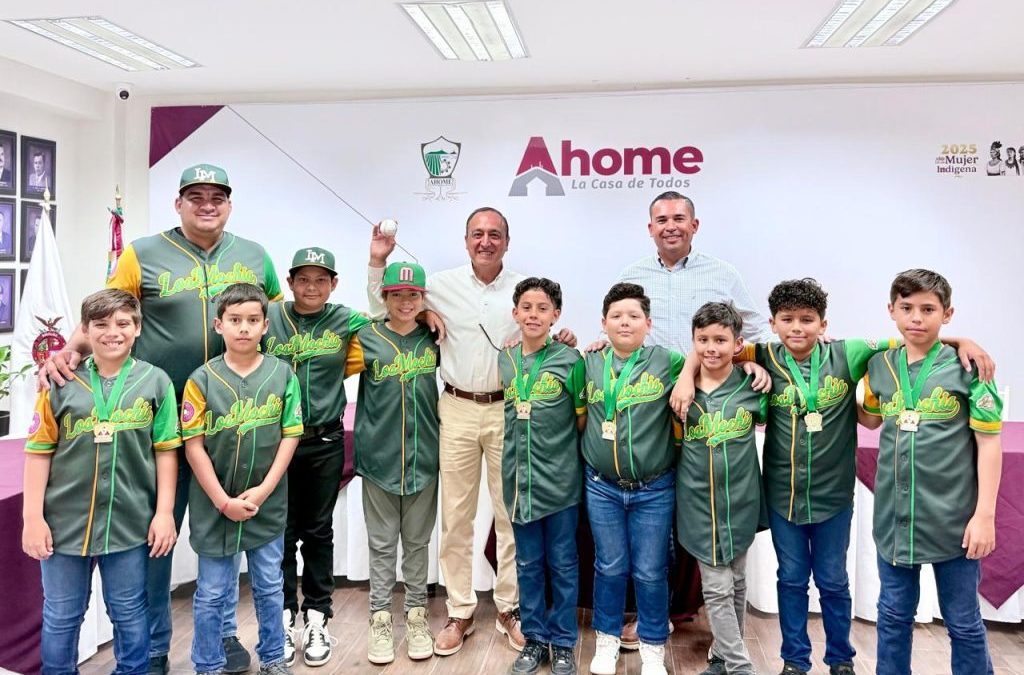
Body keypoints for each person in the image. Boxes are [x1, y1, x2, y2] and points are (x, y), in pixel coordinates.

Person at [40, 163, 283, 675]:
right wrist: (69, 350)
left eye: (217, 196)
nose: (207, 204)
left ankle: (223, 635)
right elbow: (108, 314)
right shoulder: (143, 253)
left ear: (229, 204)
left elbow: (278, 322)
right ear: (178, 203)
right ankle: (153, 648)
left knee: (223, 536)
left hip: (229, 425)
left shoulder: (255, 256)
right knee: (156, 537)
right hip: (155, 423)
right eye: (196, 196)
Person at [367, 207, 575, 655]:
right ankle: (459, 610)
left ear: (507, 241)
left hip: (509, 410)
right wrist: (384, 268)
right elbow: (386, 307)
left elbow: (540, 329)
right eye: (477, 234)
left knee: (509, 514)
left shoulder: (523, 289)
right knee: (456, 516)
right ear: (466, 241)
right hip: (456, 407)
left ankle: (508, 608)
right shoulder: (441, 285)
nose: (486, 241)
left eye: (494, 234)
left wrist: (564, 337)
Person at [613, 191, 771, 647]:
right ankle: (655, 613)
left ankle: (704, 612)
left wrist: (751, 362)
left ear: (694, 225)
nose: (671, 226)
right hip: (650, 412)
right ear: (650, 228)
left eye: (679, 218)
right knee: (658, 516)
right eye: (661, 219)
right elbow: (623, 328)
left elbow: (756, 331)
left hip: (708, 407)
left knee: (704, 509)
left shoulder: (723, 274)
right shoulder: (632, 276)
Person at [22, 289, 180, 674]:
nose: (113, 332)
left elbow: (165, 452)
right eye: (101, 324)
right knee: (62, 613)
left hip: (129, 522)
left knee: (128, 610)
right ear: (85, 330)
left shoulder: (156, 382)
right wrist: (32, 518)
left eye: (123, 323)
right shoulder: (60, 382)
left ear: (138, 328)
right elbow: (38, 453)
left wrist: (164, 513)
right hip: (64, 523)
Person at [860, 269, 1003, 675]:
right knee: (892, 615)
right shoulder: (879, 366)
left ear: (947, 314)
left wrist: (985, 515)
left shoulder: (970, 367)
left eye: (928, 309)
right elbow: (870, 418)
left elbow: (989, 444)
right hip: (894, 519)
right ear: (891, 310)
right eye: (906, 308)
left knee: (963, 621)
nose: (916, 318)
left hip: (953, 520)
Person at [181, 283, 303, 675]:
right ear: (219, 325)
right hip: (214, 507)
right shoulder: (201, 380)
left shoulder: (282, 374)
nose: (244, 328)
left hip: (266, 505)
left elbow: (290, 435)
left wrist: (264, 490)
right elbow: (193, 447)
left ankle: (273, 657)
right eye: (235, 320)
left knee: (270, 586)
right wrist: (222, 501)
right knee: (212, 592)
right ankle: (208, 665)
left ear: (266, 325)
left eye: (253, 320)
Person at [569, 282, 682, 675]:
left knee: (650, 571)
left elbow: (708, 361)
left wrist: (688, 376)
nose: (625, 322)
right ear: (603, 323)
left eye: (634, 316)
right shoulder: (589, 362)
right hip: (602, 486)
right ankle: (607, 641)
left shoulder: (668, 361)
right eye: (616, 316)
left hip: (654, 488)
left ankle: (652, 647)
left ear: (648, 323)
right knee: (609, 567)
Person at [264, 247, 369, 667]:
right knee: (281, 532)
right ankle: (283, 617)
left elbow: (392, 319)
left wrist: (427, 314)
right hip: (275, 441)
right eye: (303, 279)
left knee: (318, 531)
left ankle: (317, 617)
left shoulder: (346, 319)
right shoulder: (269, 315)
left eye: (321, 279)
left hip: (324, 439)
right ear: (289, 282)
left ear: (333, 284)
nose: (312, 287)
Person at [348, 261, 440, 666]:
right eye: (397, 294)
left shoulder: (435, 338)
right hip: (379, 458)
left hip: (424, 457)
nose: (405, 301)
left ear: (423, 299)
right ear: (384, 297)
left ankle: (417, 616)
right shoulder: (365, 338)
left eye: (413, 295)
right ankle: (380, 619)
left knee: (418, 544)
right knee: (382, 545)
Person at [676, 302, 767, 675]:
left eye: (720, 340)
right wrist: (686, 373)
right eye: (703, 340)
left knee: (738, 581)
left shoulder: (752, 386)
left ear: (738, 343)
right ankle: (741, 667)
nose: (711, 348)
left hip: (741, 500)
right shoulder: (680, 391)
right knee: (716, 587)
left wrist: (757, 366)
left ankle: (721, 657)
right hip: (698, 502)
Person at [499, 277, 584, 675]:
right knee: (528, 565)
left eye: (543, 308)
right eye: (527, 308)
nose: (533, 315)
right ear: (515, 313)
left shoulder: (571, 360)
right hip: (519, 482)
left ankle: (563, 642)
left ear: (556, 315)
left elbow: (582, 419)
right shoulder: (506, 358)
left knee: (563, 564)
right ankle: (534, 639)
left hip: (560, 481)